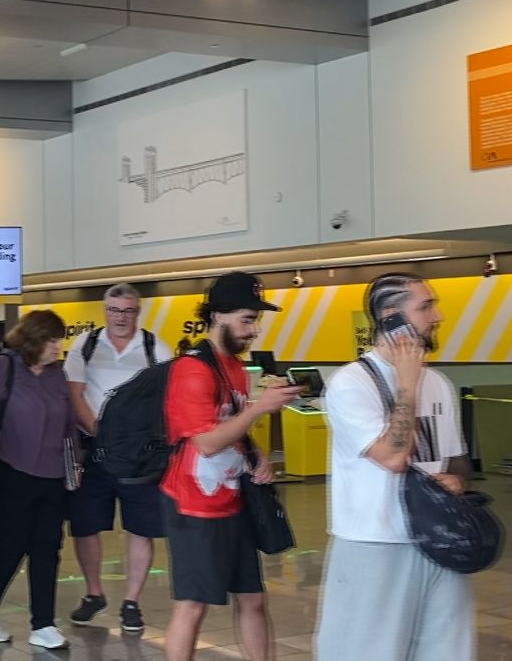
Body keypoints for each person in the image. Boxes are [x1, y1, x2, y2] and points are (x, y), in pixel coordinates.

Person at [315, 273, 473, 660]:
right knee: (369, 651)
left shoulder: (438, 382)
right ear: (390, 317)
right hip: (376, 543)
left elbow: (455, 456)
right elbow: (393, 457)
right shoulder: (350, 384)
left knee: (447, 650)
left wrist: (455, 479)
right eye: (425, 307)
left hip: (438, 540)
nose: (437, 316)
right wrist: (406, 386)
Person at [160, 272, 302, 661]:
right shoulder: (192, 369)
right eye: (247, 319)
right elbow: (205, 441)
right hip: (193, 505)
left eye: (256, 320)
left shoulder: (234, 368)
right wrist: (259, 408)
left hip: (233, 499)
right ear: (219, 315)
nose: (254, 330)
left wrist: (256, 453)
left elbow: (230, 423)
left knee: (253, 598)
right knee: (193, 606)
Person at [63, 283, 174, 632]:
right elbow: (74, 394)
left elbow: (168, 399)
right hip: (93, 449)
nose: (120, 317)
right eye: (114, 310)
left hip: (140, 455)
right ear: (104, 310)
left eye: (127, 311)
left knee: (140, 529)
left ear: (137, 312)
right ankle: (94, 593)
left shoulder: (157, 349)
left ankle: (131, 601)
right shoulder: (86, 345)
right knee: (85, 525)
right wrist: (100, 432)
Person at [0, 310, 75, 650]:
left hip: (53, 475)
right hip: (10, 473)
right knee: (12, 545)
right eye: (52, 340)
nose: (58, 347)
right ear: (34, 340)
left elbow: (68, 420)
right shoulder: (3, 368)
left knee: (47, 548)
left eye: (59, 340)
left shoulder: (57, 374)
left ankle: (43, 623)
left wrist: (76, 463)